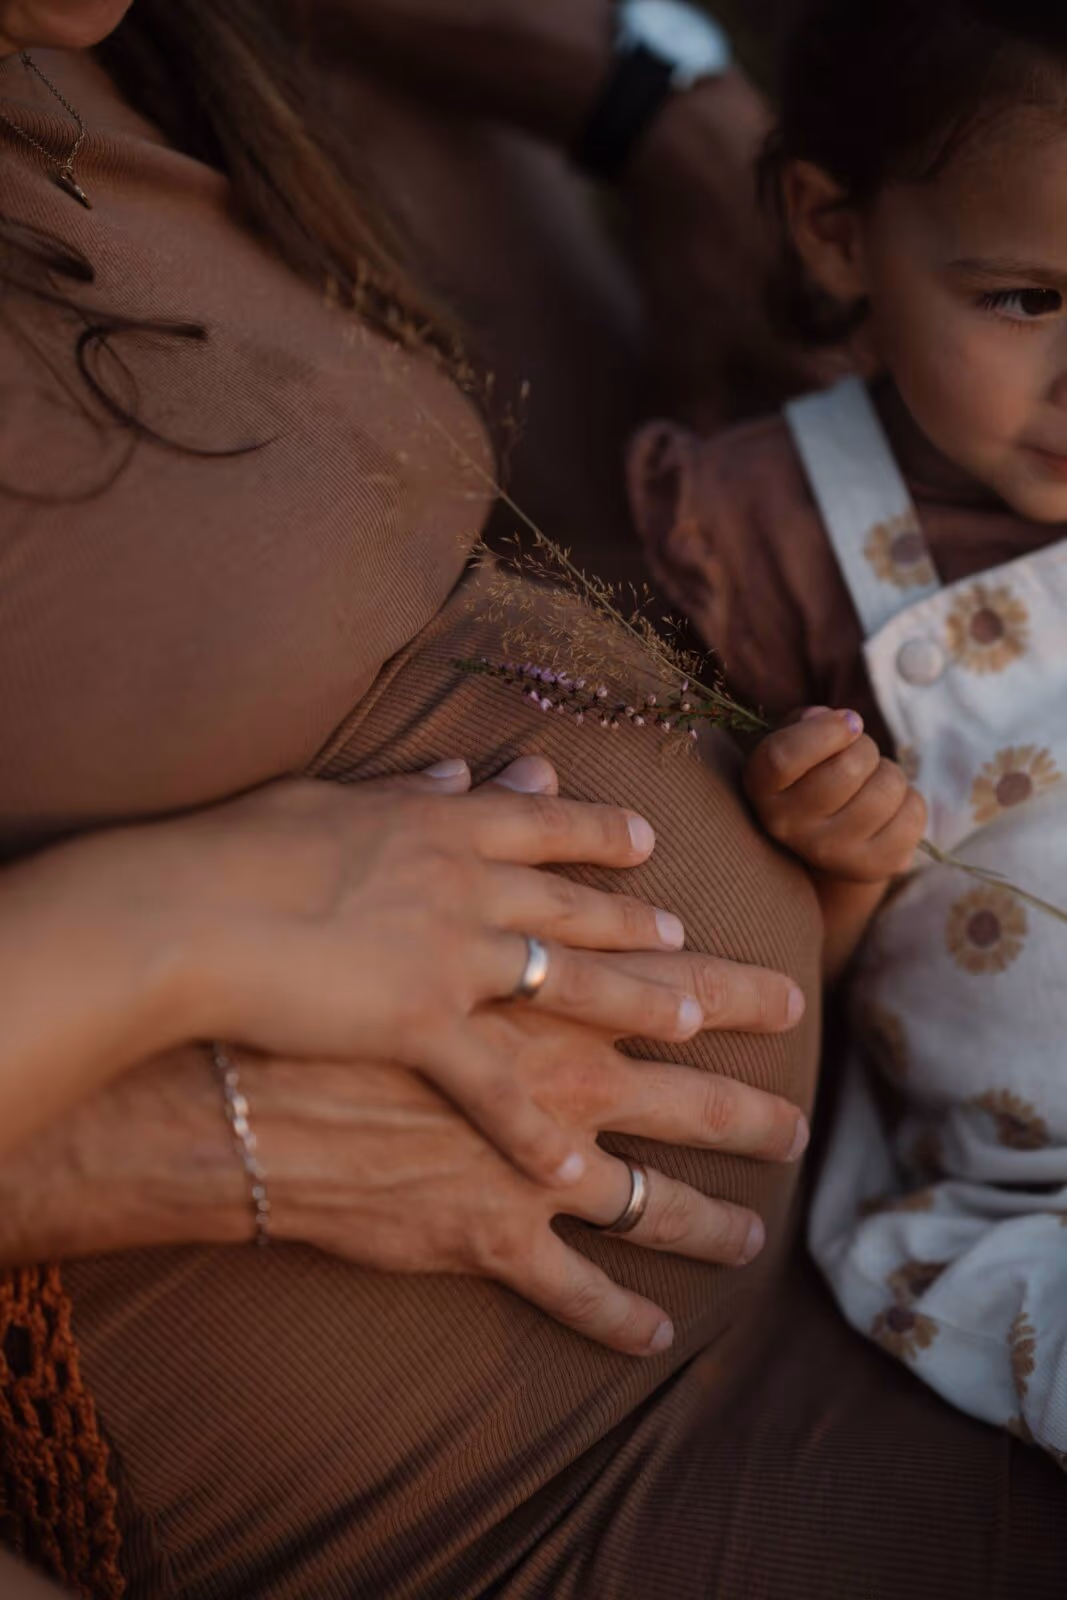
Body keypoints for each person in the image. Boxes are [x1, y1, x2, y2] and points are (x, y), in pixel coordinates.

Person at [0, 6, 1064, 1600]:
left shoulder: (119, 57)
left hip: (853, 1309)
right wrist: (181, 969)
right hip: (537, 1514)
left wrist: (650, 102)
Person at [629, 0, 1067, 1474]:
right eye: (1027, 300)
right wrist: (832, 863)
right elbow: (743, 975)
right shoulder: (774, 540)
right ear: (833, 229)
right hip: (1028, 1206)